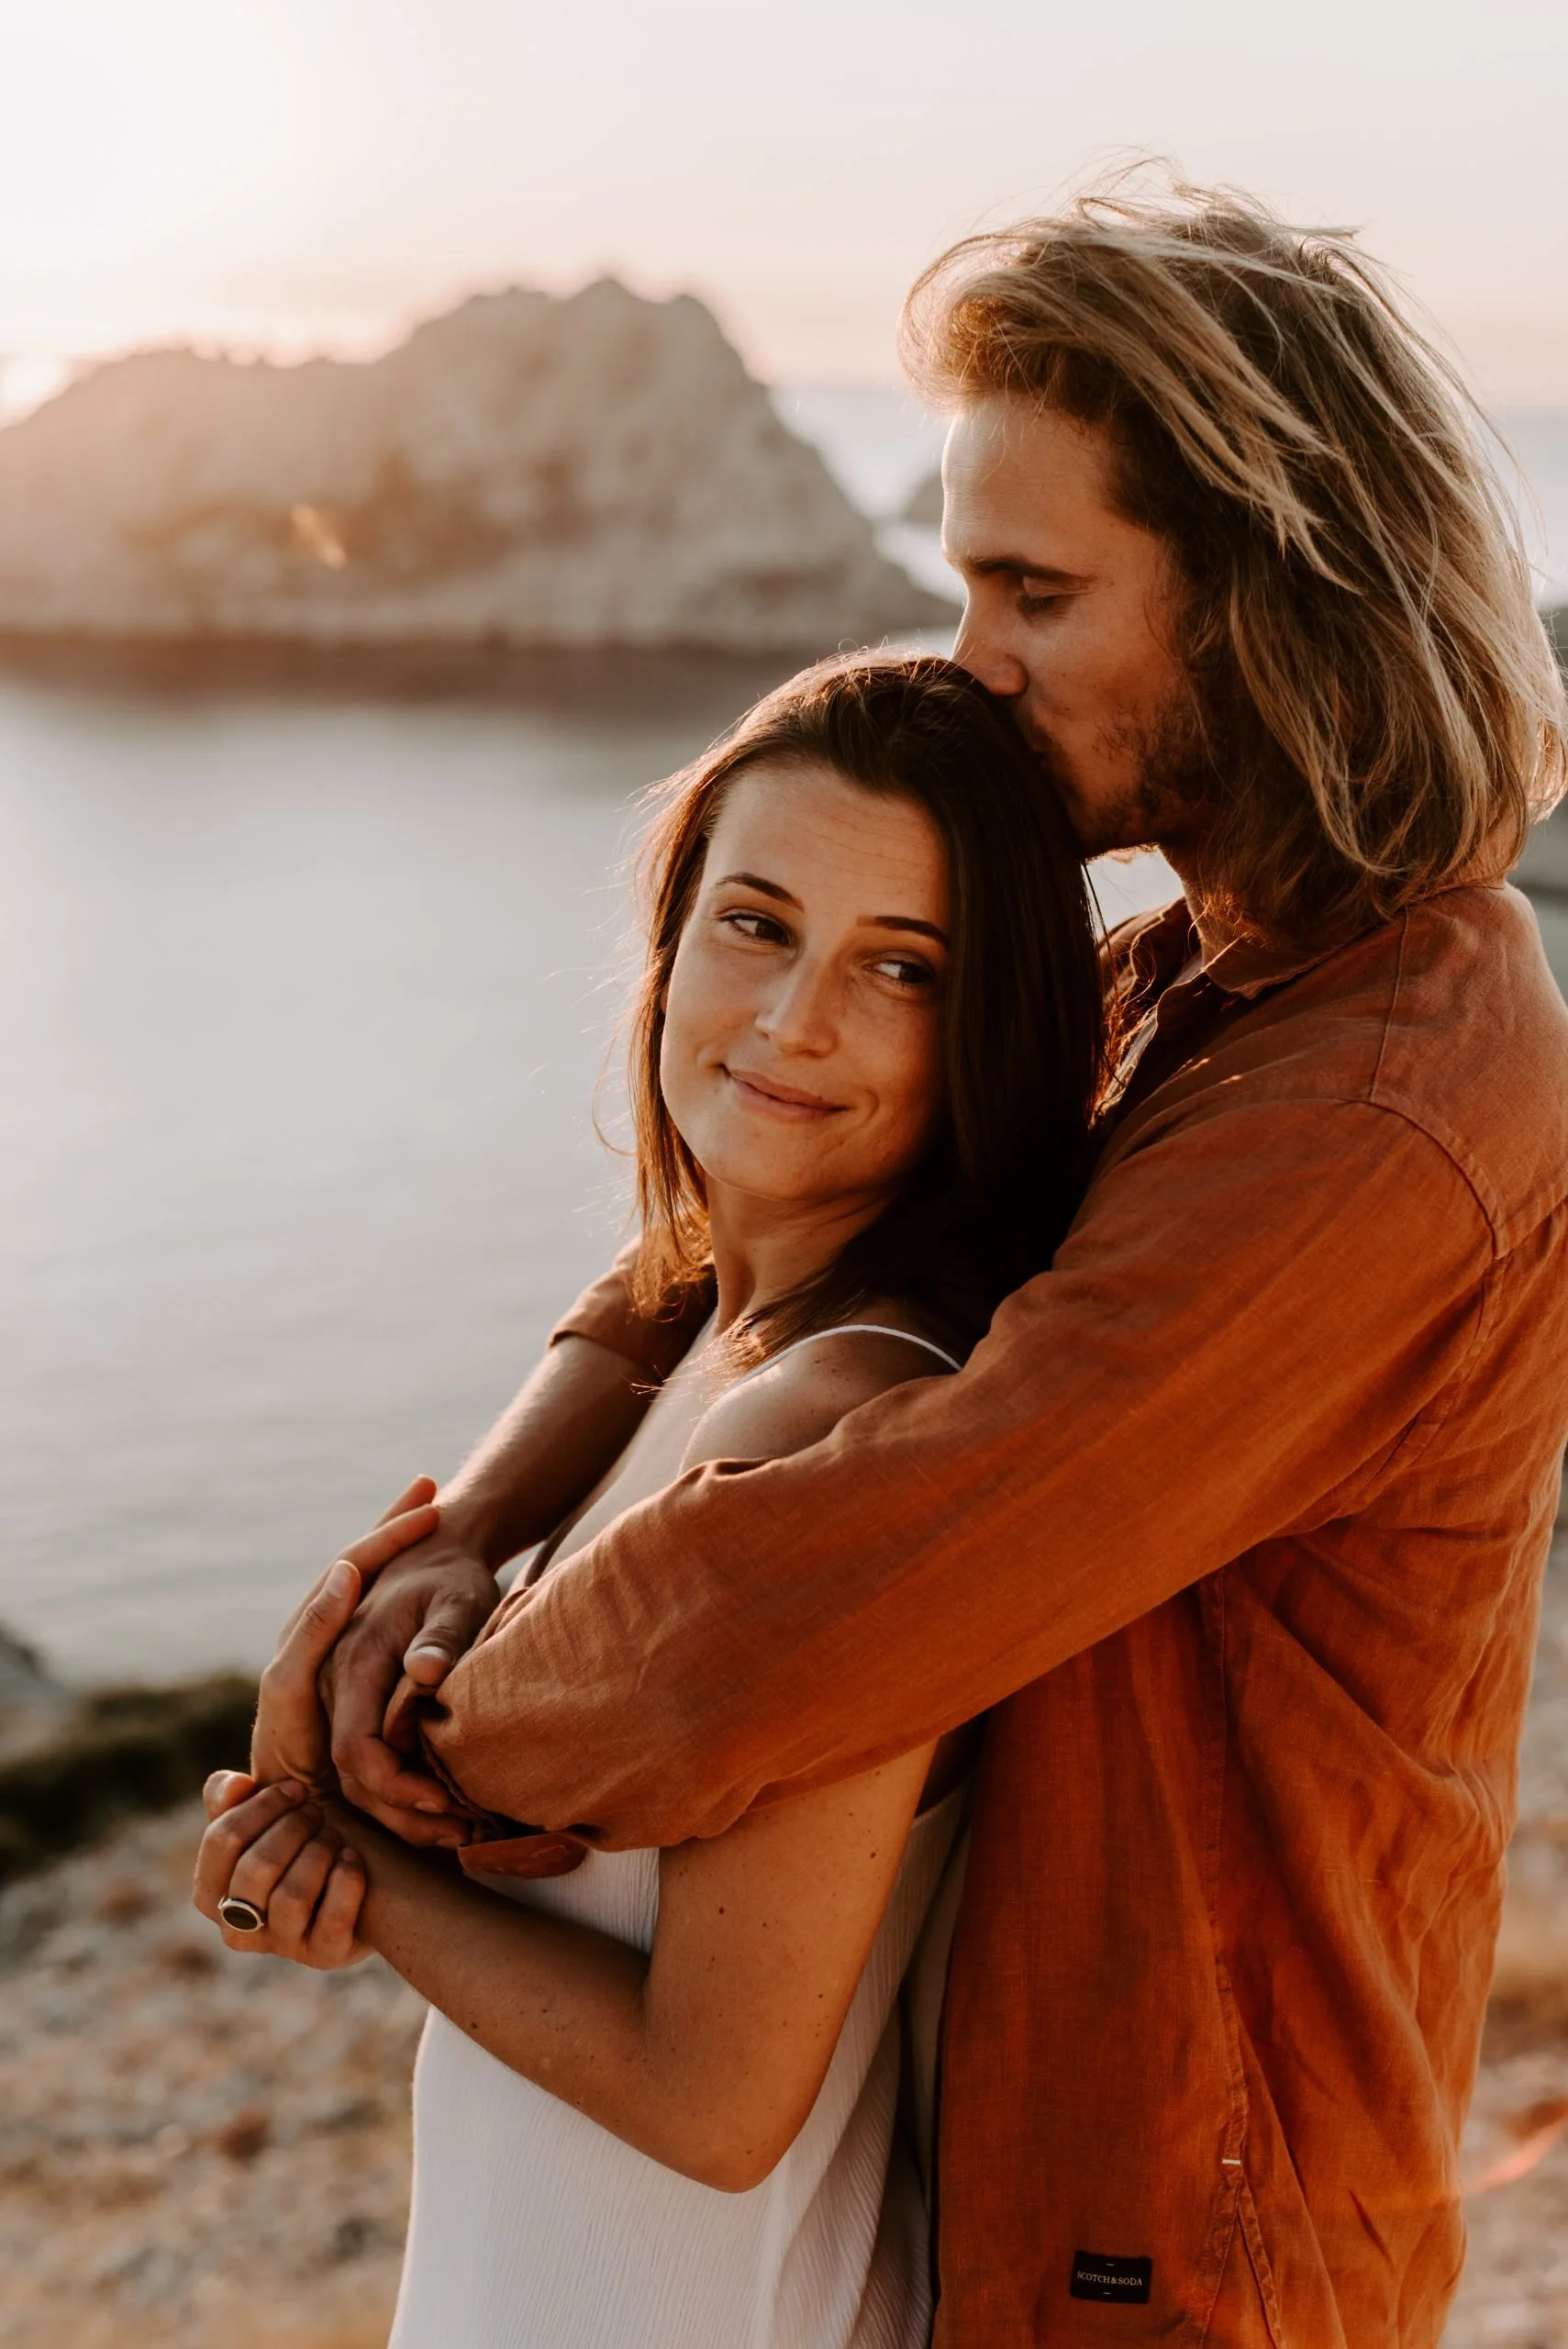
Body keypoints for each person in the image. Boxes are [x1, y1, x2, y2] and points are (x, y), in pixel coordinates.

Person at [299, 183, 1568, 2346]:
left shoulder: (1372, 1100)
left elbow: (823, 1585)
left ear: (1265, 599)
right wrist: (472, 1520)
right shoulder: (1203, 983)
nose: (973, 653)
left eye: (1034, 591)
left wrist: (380, 1737)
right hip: (1027, 2172)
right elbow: (745, 1241)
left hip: (1193, 2225)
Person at [193, 656, 1108, 2349]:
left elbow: (718, 2100)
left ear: (990, 1025)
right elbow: (656, 1282)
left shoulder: (839, 1436)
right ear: (671, 939)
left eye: (901, 967)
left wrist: (342, 1856)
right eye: (757, 924)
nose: (794, 1021)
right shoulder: (706, 1342)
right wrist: (460, 1536)